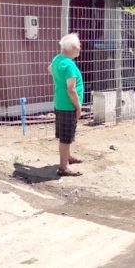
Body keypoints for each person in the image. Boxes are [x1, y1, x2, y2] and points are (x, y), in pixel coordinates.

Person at [49, 33, 84, 177]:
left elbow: (50, 69)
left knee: (66, 134)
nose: (80, 48)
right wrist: (78, 106)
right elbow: (71, 89)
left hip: (60, 102)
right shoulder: (69, 65)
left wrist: (59, 80)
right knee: (66, 137)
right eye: (79, 46)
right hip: (68, 106)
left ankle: (67, 157)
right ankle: (64, 167)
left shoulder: (57, 59)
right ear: (74, 48)